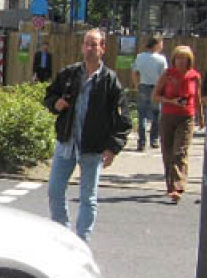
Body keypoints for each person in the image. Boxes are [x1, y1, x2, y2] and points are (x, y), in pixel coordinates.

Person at [43, 28, 131, 241]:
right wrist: (56, 103)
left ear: (103, 49)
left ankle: (82, 240)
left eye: (94, 44)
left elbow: (123, 118)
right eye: (87, 44)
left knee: (87, 198)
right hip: (67, 143)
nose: (90, 48)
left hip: (92, 147)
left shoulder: (110, 81)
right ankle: (62, 234)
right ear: (82, 47)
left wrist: (113, 147)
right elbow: (49, 95)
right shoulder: (69, 74)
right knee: (54, 191)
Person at [154, 44, 204, 204]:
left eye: (184, 59)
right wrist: (171, 101)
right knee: (167, 152)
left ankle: (178, 187)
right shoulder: (168, 74)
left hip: (186, 117)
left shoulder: (194, 76)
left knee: (179, 152)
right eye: (178, 58)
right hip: (168, 115)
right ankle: (170, 186)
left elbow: (197, 98)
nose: (181, 62)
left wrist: (201, 116)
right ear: (174, 59)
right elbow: (155, 96)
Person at [130, 36, 167, 151]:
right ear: (156, 44)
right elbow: (165, 75)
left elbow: (135, 72)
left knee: (142, 114)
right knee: (156, 114)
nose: (162, 46)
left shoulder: (140, 57)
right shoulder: (161, 59)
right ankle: (154, 139)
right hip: (156, 87)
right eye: (161, 43)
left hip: (143, 86)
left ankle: (141, 141)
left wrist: (137, 85)